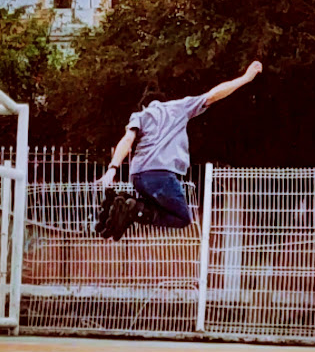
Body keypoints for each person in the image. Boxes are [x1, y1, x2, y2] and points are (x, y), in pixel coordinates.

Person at [95, 61, 263, 240]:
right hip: (162, 176)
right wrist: (246, 78)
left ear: (145, 106)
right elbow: (213, 95)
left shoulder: (140, 115)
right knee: (182, 218)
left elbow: (128, 140)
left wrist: (112, 169)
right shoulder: (178, 107)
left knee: (154, 208)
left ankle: (124, 203)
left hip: (137, 177)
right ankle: (133, 208)